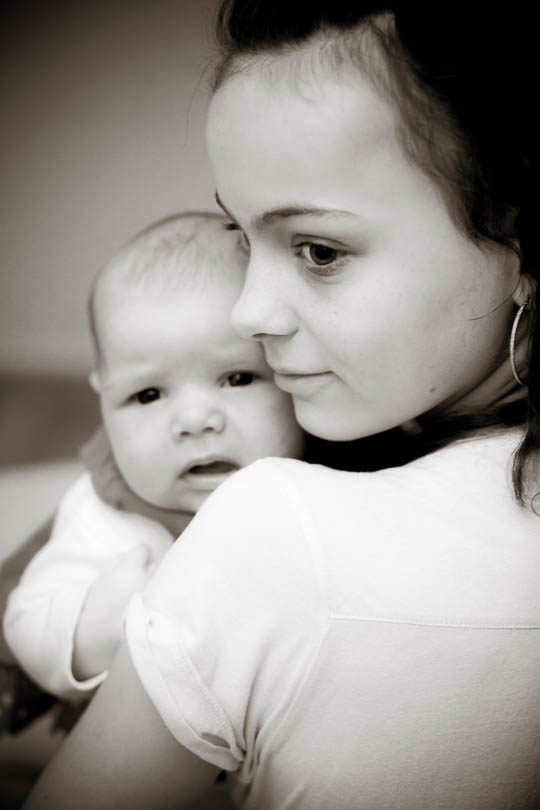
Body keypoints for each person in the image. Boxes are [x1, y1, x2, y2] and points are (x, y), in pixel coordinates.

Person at [23, 2, 540, 808]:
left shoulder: (275, 530)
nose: (248, 312)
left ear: (522, 246)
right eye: (241, 236)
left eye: (319, 251)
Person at [3, 211, 304, 700]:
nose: (195, 420)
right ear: (102, 396)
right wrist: (92, 629)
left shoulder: (326, 471)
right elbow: (26, 618)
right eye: (148, 395)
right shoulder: (109, 515)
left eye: (238, 378)